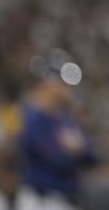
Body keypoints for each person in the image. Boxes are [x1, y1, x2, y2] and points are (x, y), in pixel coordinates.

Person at [15, 69, 98, 210]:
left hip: (66, 200)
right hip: (40, 201)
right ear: (45, 86)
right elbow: (56, 161)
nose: (66, 90)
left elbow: (93, 157)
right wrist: (77, 151)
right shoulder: (34, 119)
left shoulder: (67, 120)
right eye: (60, 84)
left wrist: (77, 150)